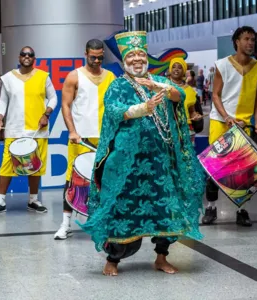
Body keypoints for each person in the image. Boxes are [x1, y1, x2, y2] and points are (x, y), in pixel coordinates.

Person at [78, 31, 205, 276]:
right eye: (132, 55)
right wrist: (142, 108)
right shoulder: (117, 85)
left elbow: (179, 97)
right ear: (125, 60)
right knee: (122, 208)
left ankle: (161, 257)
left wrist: (158, 86)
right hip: (127, 162)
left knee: (165, 207)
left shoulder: (159, 81)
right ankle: (113, 260)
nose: (137, 59)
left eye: (141, 55)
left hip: (159, 160)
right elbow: (115, 112)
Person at [203, 26, 257, 227]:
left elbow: (256, 98)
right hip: (221, 122)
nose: (250, 43)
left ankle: (242, 210)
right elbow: (215, 95)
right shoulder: (222, 65)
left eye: (253, 40)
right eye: (246, 39)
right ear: (237, 42)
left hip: (244, 123)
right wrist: (226, 116)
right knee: (216, 168)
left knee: (244, 171)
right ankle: (211, 208)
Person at [54, 39, 116, 240]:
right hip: (80, 138)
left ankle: (105, 221)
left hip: (105, 137)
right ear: (85, 53)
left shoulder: (111, 76)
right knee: (74, 180)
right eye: (93, 57)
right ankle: (65, 224)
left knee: (105, 181)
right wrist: (72, 131)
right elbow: (65, 105)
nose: (97, 60)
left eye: (100, 57)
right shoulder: (74, 76)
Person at [0, 46, 58, 216]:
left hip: (37, 129)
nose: (27, 57)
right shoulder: (9, 78)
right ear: (19, 57)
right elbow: (3, 100)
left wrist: (46, 114)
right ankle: (0, 201)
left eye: (30, 55)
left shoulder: (43, 76)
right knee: (6, 166)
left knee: (35, 166)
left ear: (34, 58)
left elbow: (53, 97)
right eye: (24, 54)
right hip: (14, 128)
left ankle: (33, 200)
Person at [168, 58, 202, 143]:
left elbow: (192, 111)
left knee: (187, 155)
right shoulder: (163, 86)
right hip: (168, 130)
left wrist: (196, 116)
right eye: (173, 67)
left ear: (183, 71)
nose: (176, 69)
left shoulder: (190, 90)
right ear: (170, 69)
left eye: (179, 67)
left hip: (187, 129)